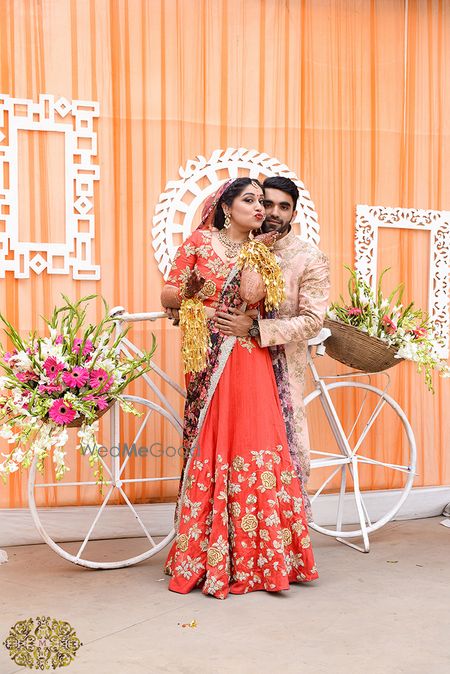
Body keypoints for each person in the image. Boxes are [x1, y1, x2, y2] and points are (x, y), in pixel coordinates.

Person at [161, 177, 318, 599]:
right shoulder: (198, 241)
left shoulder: (264, 253)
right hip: (209, 358)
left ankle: (260, 559)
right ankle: (206, 557)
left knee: (254, 445)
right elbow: (169, 292)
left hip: (251, 358)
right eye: (252, 201)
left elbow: (252, 294)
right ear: (227, 207)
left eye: (265, 204)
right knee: (213, 445)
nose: (262, 210)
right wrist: (193, 300)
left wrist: (255, 250)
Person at [214, 176, 330, 510]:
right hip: (235, 362)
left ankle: (288, 534)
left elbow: (312, 320)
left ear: (294, 213)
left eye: (284, 206)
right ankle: (241, 526)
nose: (273, 212)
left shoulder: (309, 258)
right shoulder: (237, 246)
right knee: (239, 447)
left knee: (289, 445)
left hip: (282, 364)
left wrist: (254, 329)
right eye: (266, 203)